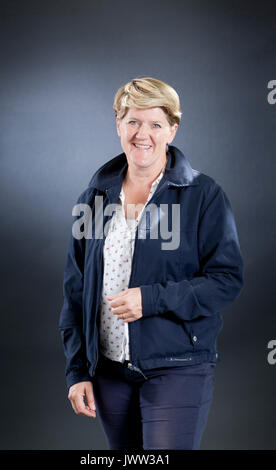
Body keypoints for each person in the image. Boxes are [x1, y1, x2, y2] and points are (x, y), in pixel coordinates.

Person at [59, 77, 244, 450]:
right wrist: (77, 371)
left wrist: (152, 299)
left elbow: (226, 280)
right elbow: (75, 292)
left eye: (155, 124)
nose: (142, 134)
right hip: (109, 372)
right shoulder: (94, 197)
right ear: (118, 125)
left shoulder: (203, 195)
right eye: (132, 122)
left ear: (172, 130)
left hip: (178, 364)